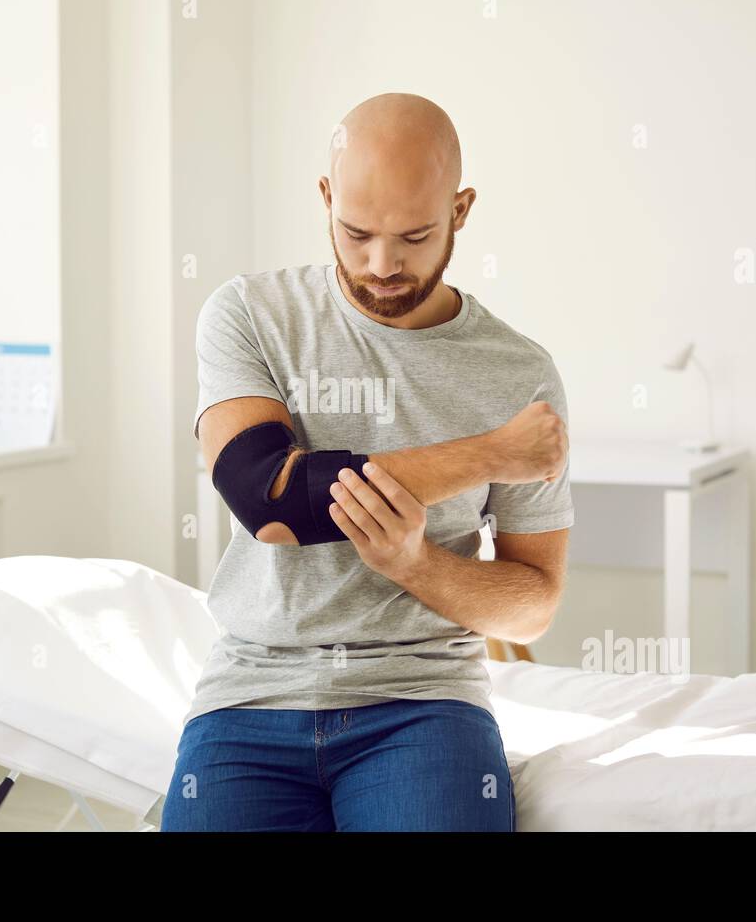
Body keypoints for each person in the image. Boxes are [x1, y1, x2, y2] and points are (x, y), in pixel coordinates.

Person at [162, 93, 573, 831]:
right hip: (252, 694)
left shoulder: (520, 374)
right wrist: (489, 454)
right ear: (325, 198)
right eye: (355, 234)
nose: (382, 266)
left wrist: (419, 566)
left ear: (462, 209)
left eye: (415, 236)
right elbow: (274, 503)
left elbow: (535, 602)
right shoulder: (249, 314)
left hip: (422, 705)